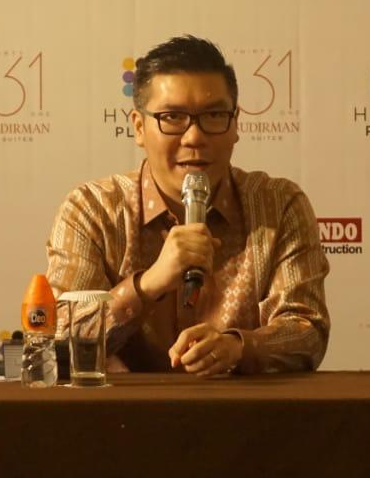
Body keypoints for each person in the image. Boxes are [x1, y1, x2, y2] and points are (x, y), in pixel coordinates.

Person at [46, 35, 329, 376]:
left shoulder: (278, 205)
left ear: (235, 124)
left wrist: (237, 347)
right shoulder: (92, 210)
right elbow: (59, 338)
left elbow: (307, 332)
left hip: (244, 407)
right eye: (172, 117)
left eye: (214, 115)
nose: (194, 137)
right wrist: (147, 285)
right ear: (139, 127)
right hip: (125, 408)